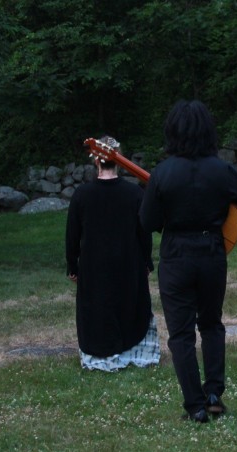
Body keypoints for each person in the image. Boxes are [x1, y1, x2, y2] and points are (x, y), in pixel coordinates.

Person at [140, 99, 237, 423]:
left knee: (180, 333)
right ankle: (214, 397)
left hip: (176, 254)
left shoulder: (163, 173)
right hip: (211, 251)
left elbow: (148, 222)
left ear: (173, 132)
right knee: (211, 324)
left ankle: (194, 405)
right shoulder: (222, 170)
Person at [65, 135, 159, 371]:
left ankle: (100, 355)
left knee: (99, 306)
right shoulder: (134, 194)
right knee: (129, 303)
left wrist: (72, 266)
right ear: (119, 158)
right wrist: (146, 262)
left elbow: (72, 235)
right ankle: (135, 352)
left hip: (94, 265)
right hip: (128, 262)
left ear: (96, 160)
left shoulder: (82, 195)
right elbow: (144, 233)